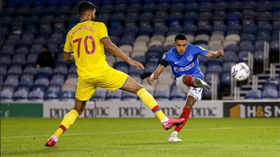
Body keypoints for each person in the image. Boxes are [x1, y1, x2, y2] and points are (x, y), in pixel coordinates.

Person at [45, 1, 185, 147]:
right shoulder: (97, 26)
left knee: (77, 109)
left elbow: (65, 58)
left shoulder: (71, 33)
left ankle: (54, 137)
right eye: (94, 13)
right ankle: (163, 119)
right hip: (102, 72)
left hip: (85, 78)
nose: (94, 15)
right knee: (138, 88)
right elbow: (109, 45)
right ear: (89, 13)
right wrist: (129, 59)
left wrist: (79, 56)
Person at [147, 34, 224, 142]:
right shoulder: (169, 55)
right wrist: (152, 77)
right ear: (175, 45)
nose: (181, 48)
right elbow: (159, 70)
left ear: (186, 44)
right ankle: (196, 83)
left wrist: (218, 54)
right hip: (181, 81)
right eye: (179, 45)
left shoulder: (194, 49)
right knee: (186, 77)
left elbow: (210, 54)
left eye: (183, 45)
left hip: (196, 79)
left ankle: (174, 135)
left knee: (189, 104)